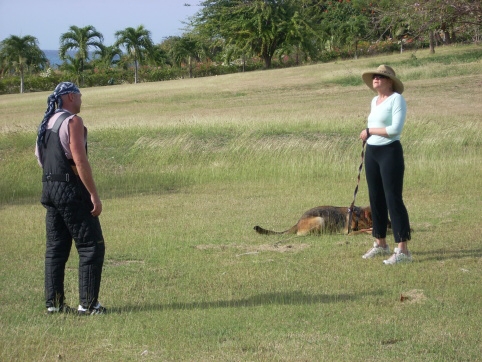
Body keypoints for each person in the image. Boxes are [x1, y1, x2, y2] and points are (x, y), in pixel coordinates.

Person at [35, 82, 107, 314]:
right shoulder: (73, 121)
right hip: (70, 190)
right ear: (68, 97)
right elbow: (80, 159)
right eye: (79, 95)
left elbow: (41, 157)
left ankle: (54, 305)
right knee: (90, 246)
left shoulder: (47, 122)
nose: (81, 99)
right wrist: (93, 194)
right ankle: (88, 305)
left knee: (56, 249)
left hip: (49, 188)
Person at [358, 65, 412, 265]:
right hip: (372, 152)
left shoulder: (396, 99)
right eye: (374, 76)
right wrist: (370, 134)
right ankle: (380, 243)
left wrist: (370, 130)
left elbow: (395, 129)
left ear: (390, 81)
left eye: (381, 77)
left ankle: (403, 250)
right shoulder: (374, 100)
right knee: (376, 198)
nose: (376, 79)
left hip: (390, 152)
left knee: (393, 199)